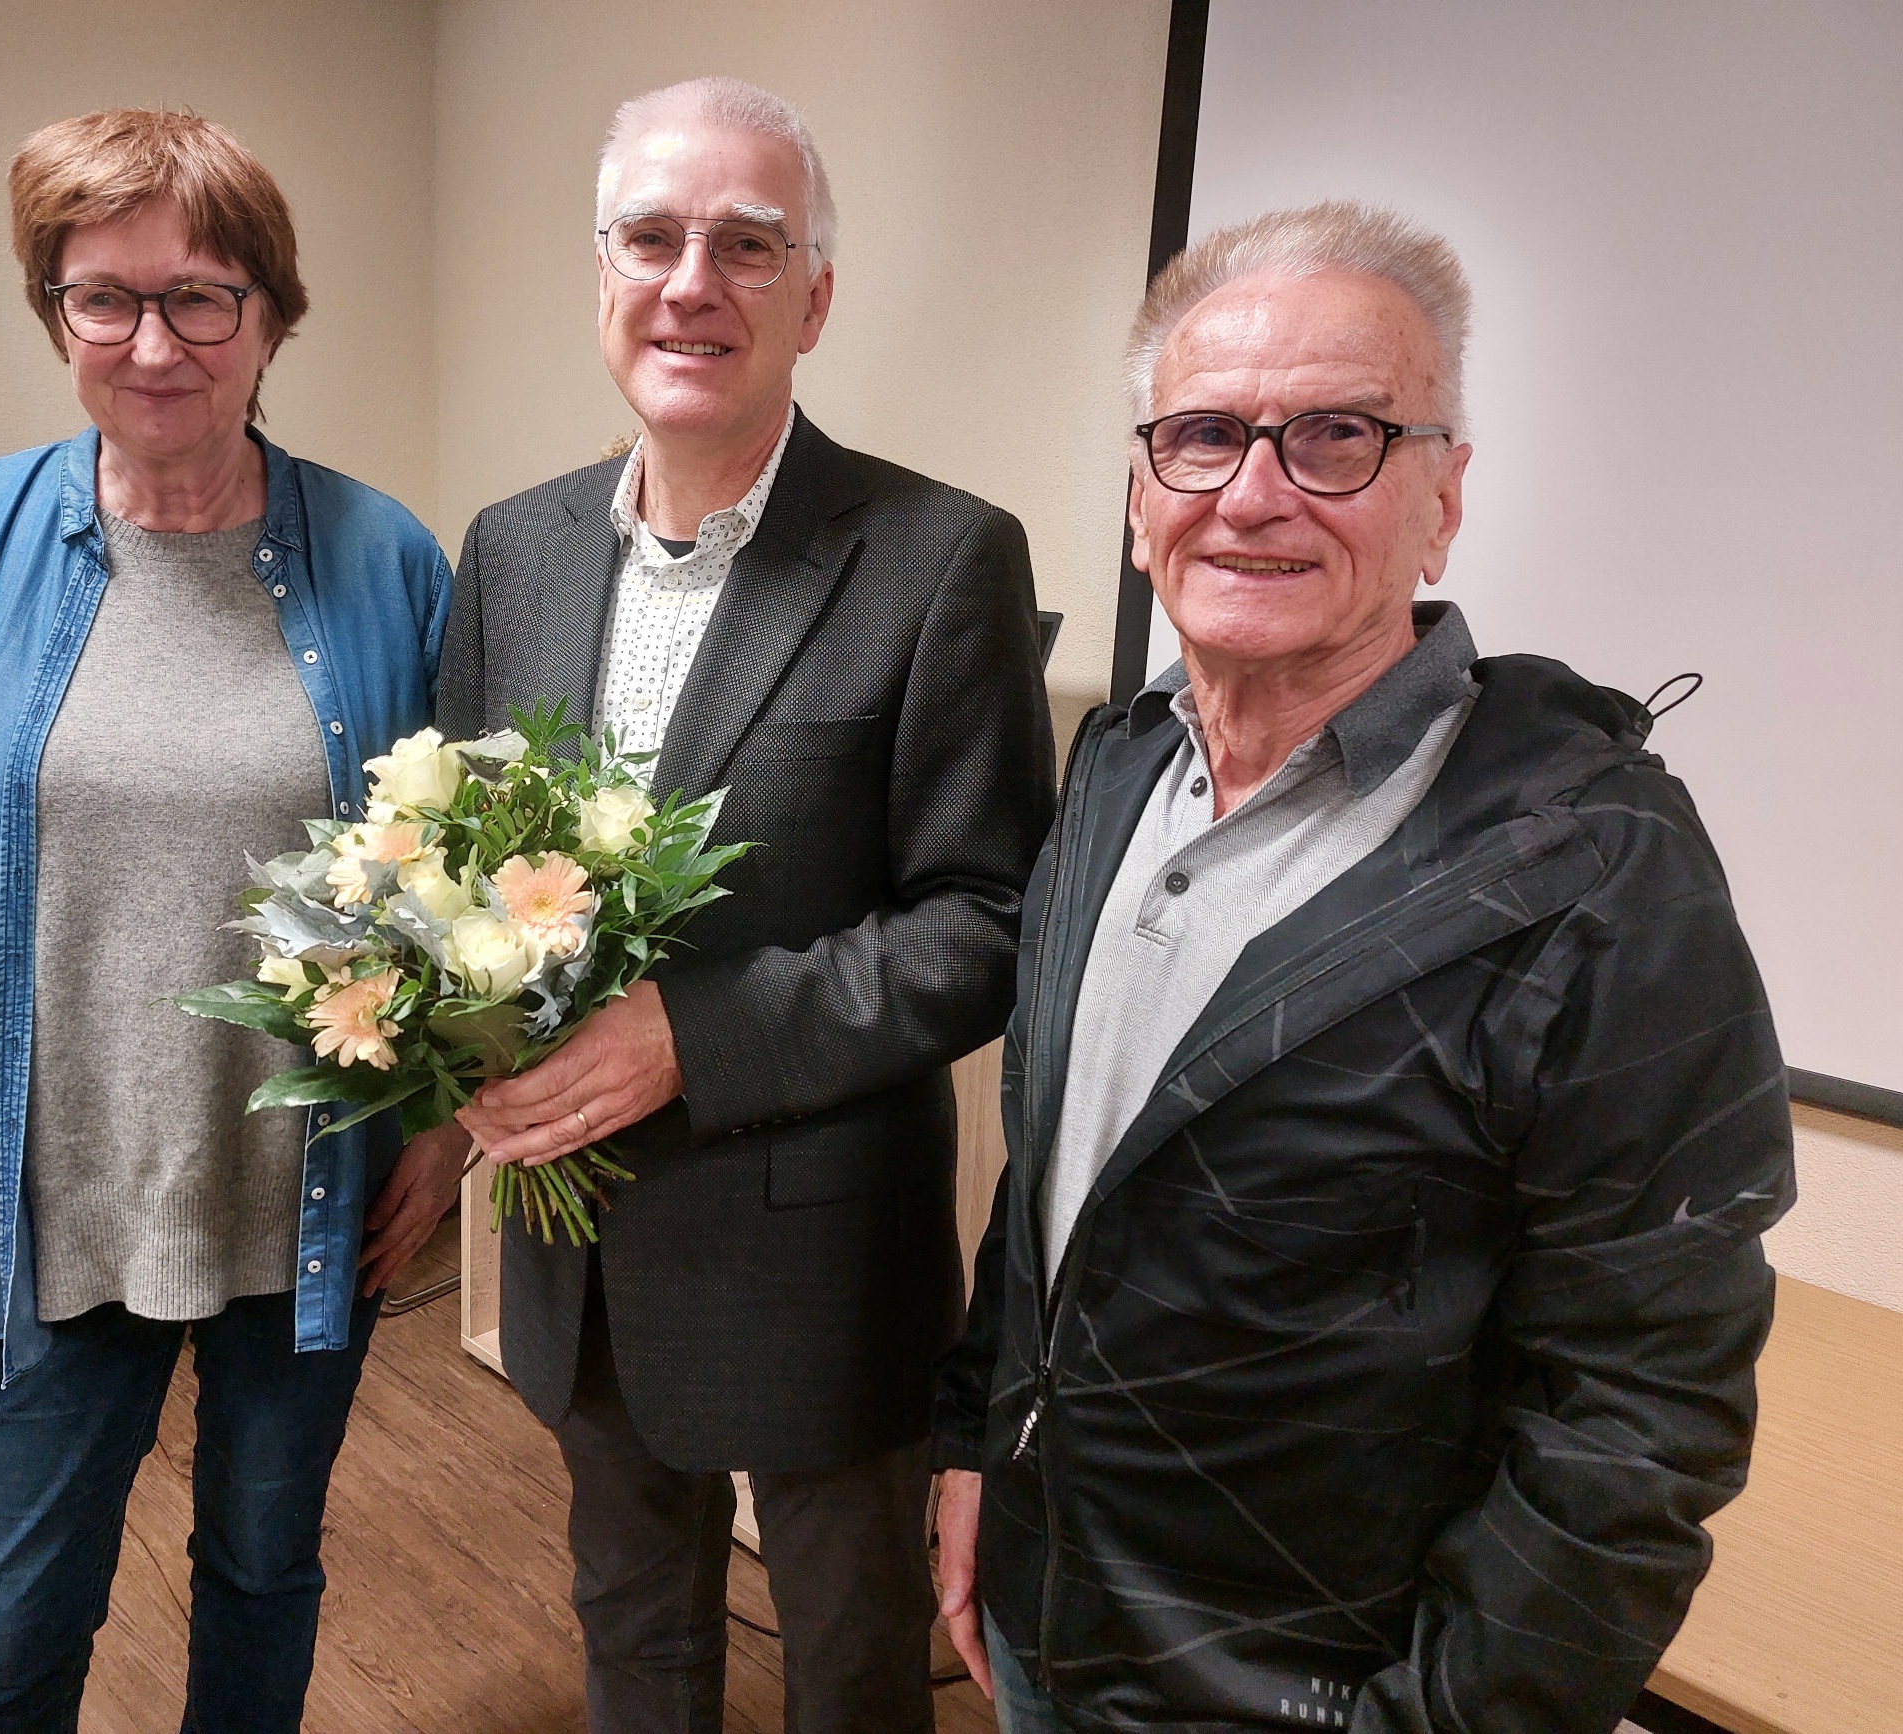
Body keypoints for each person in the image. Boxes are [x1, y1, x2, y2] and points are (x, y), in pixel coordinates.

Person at [932, 200, 1797, 1733]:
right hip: (1047, 1619)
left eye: (1335, 435)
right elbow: (1064, 1178)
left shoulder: (1595, 870)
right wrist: (973, 1451)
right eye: (1201, 435)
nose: (1252, 494)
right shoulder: (1119, 763)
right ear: (1143, 492)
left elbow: (1640, 1412)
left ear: (1443, 497)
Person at [429, 76, 1056, 1734]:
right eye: (653, 236)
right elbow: (462, 873)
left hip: (817, 1258)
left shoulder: (938, 555)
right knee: (634, 1638)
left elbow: (986, 918)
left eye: (748, 245)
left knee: (851, 1669)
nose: (691, 279)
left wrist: (689, 1038)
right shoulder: (513, 550)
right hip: (582, 1246)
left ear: (816, 297)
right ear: (604, 275)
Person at [0, 108, 455, 1732]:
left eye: (200, 296)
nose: (152, 341)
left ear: (272, 315)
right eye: (101, 296)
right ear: (54, 313)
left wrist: (446, 1136)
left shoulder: (388, 558)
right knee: (9, 1623)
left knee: (264, 1573)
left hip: (303, 1199)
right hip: (49, 1193)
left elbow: (451, 898)